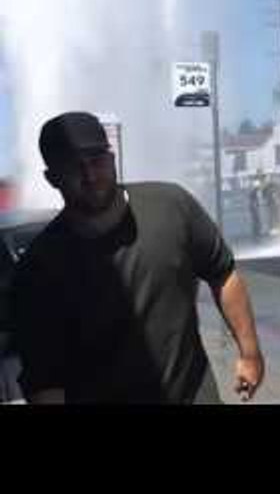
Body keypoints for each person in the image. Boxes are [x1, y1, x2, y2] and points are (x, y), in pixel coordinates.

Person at [11, 112, 265, 404]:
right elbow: (45, 382)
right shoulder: (37, 271)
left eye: (97, 160)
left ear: (113, 159)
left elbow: (223, 274)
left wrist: (250, 353)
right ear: (52, 178)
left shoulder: (172, 207)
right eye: (73, 167)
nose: (90, 176)